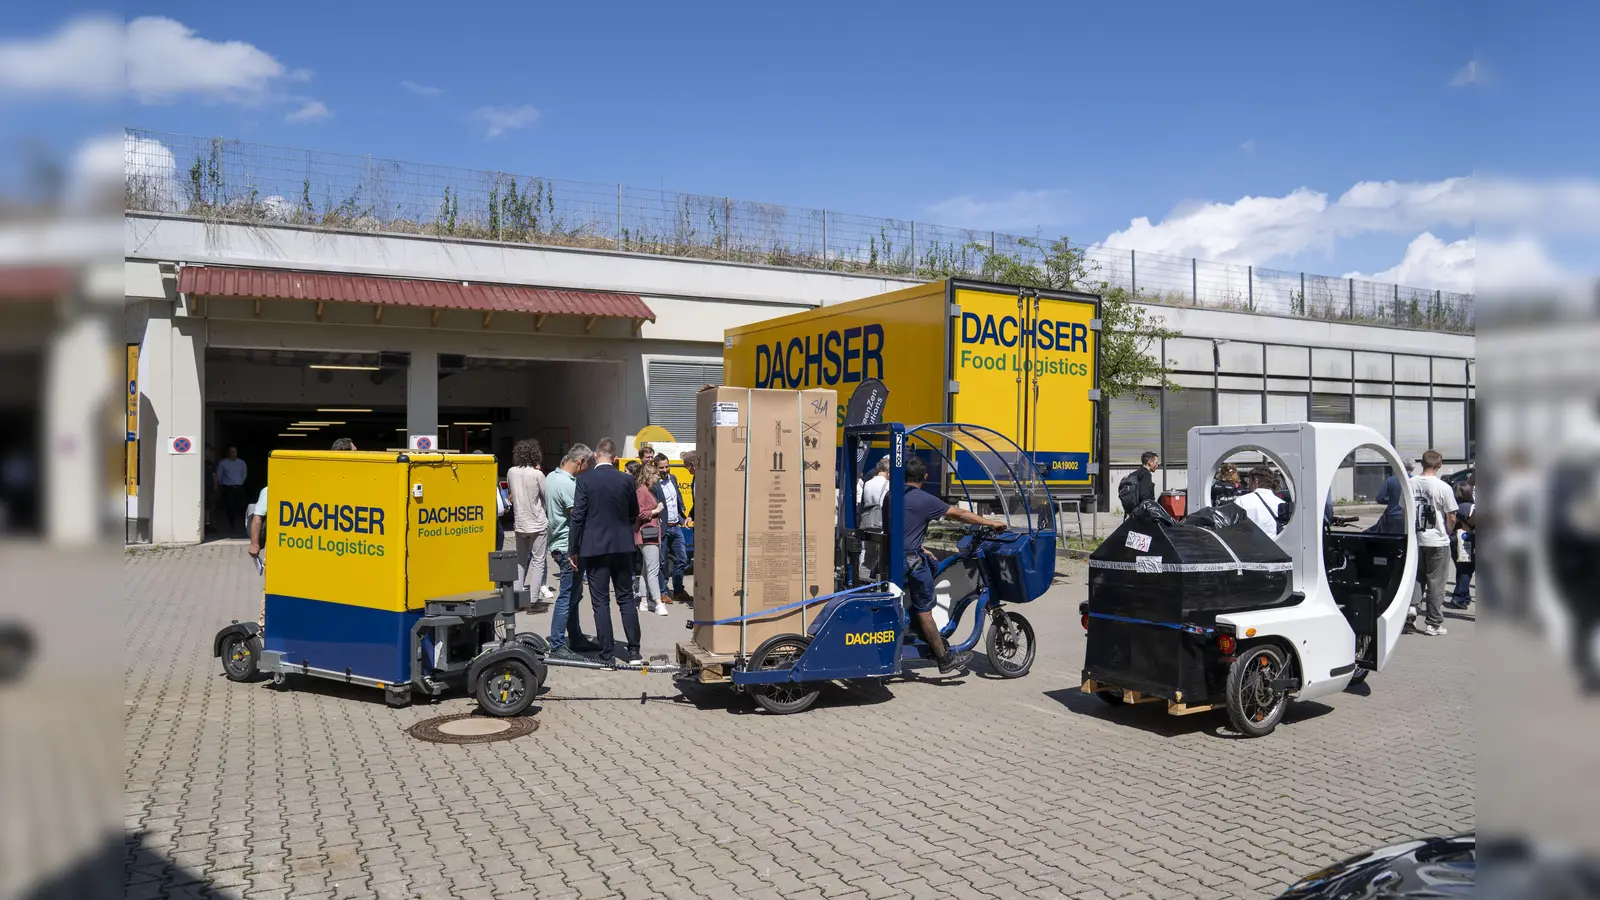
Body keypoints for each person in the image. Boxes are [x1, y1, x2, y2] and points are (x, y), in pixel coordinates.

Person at [900, 456, 1008, 674]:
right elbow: (960, 514)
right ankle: (944, 658)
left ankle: (920, 630)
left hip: (894, 556)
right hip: (910, 561)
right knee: (925, 609)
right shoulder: (925, 499)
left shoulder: (893, 496)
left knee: (931, 563)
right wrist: (991, 522)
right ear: (925, 477)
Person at [247, 437, 356, 623]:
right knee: (274, 589)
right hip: (281, 549)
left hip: (310, 549)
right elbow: (257, 516)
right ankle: (265, 626)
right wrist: (255, 544)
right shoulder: (272, 489)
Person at [568, 438, 643, 666]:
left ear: (595, 456)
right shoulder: (627, 479)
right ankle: (634, 652)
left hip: (594, 547)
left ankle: (607, 655)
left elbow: (578, 515)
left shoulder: (585, 479)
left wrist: (574, 549)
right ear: (615, 457)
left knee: (600, 602)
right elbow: (634, 511)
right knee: (626, 598)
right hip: (622, 545)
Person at [545, 443, 599, 661]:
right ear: (581, 462)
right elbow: (577, 516)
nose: (586, 471)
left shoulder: (551, 477)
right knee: (567, 596)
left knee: (573, 595)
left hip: (559, 544)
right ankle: (558, 644)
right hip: (569, 548)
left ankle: (575, 638)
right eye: (587, 466)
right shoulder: (567, 485)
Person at [1410, 450, 1459, 637]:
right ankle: (1433, 623)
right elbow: (1451, 515)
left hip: (1416, 539)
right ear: (1439, 465)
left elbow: (1405, 511)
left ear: (1421, 463)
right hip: (1437, 540)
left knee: (1416, 578)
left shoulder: (1410, 483)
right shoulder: (1443, 487)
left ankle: (1412, 610)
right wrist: (1448, 530)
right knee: (1436, 582)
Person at [507, 439, 550, 609]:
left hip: (520, 522)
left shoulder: (511, 472)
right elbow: (545, 495)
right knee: (538, 561)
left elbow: (512, 492)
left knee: (520, 561)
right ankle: (532, 600)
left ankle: (517, 598)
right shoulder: (537, 474)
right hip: (538, 522)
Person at [654, 453, 690, 602]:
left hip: (676, 526)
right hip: (662, 527)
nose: (665, 469)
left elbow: (678, 499)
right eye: (662, 467)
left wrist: (683, 515)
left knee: (682, 559)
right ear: (656, 468)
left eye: (667, 466)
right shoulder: (655, 484)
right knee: (662, 562)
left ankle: (678, 589)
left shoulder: (673, 479)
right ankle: (663, 592)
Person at [634, 463, 668, 616]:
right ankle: (658, 602)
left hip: (651, 534)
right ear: (649, 475)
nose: (658, 477)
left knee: (647, 570)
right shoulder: (642, 490)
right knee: (653, 569)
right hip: (647, 534)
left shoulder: (646, 489)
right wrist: (656, 510)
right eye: (655, 475)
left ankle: (643, 601)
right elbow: (640, 513)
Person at [1446, 478, 1476, 610]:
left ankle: (1462, 596)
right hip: (1467, 540)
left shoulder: (1452, 507)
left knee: (1462, 569)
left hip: (1454, 539)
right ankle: (1460, 597)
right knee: (1466, 570)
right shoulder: (1470, 507)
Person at [859, 457, 891, 574]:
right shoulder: (887, 484)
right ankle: (881, 583)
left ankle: (863, 581)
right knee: (883, 556)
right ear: (888, 471)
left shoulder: (867, 483)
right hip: (881, 524)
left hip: (868, 523)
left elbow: (863, 503)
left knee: (869, 558)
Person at [1235, 466, 1286, 536]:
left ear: (1256, 481)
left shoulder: (1241, 501)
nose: (1247, 485)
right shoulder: (1281, 503)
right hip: (1274, 545)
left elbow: (1234, 528)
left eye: (1249, 481)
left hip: (1247, 545)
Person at [1373, 457, 1416, 534]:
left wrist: (1391, 500)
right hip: (1409, 517)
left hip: (1393, 516)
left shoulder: (1391, 480)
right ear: (1412, 469)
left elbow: (1379, 498)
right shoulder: (1414, 481)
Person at [215, 446, 248, 536]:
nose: (232, 454)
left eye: (234, 452)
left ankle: (244, 525)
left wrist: (240, 482)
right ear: (228, 453)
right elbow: (219, 475)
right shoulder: (223, 463)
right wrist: (222, 485)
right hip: (228, 488)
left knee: (242, 506)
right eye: (231, 452)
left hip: (239, 487)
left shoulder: (241, 463)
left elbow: (244, 474)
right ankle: (232, 524)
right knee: (229, 507)